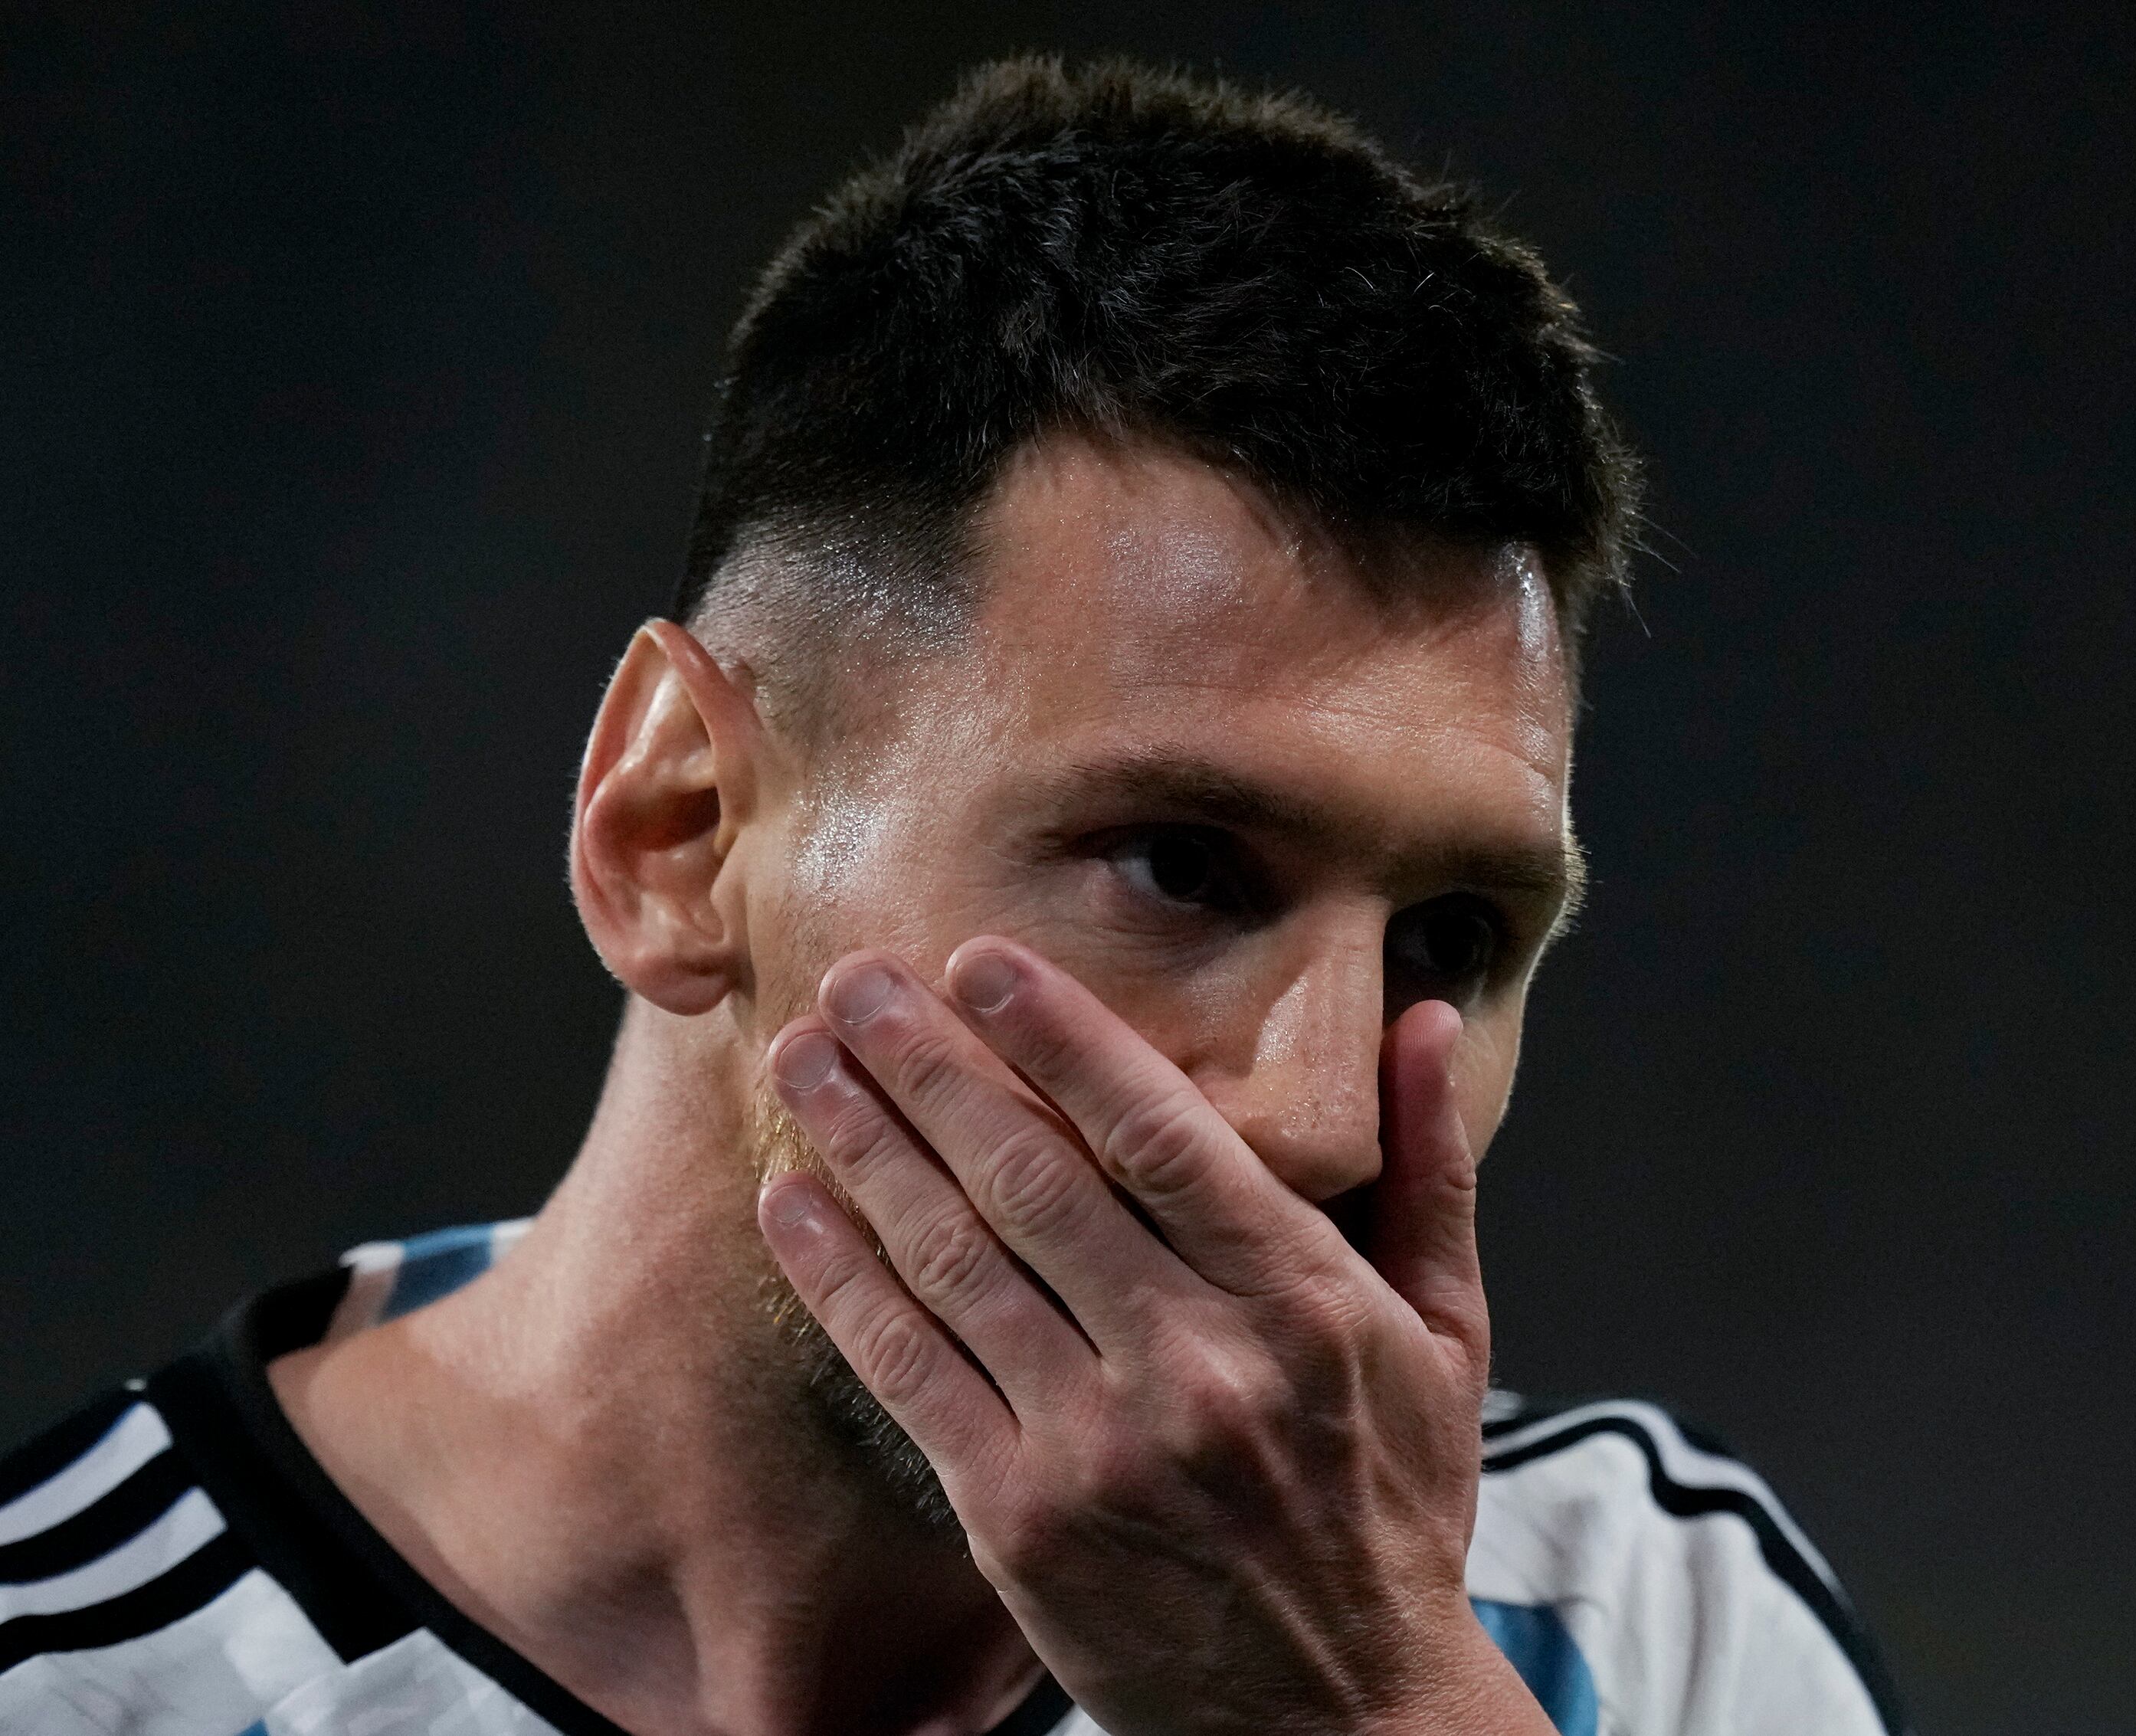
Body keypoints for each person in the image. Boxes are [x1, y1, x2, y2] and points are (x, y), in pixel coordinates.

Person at [0, 57, 1903, 1736]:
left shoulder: (1642, 1641)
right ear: (675, 830)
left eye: (1453, 941)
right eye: (1180, 865)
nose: (1315, 1118)